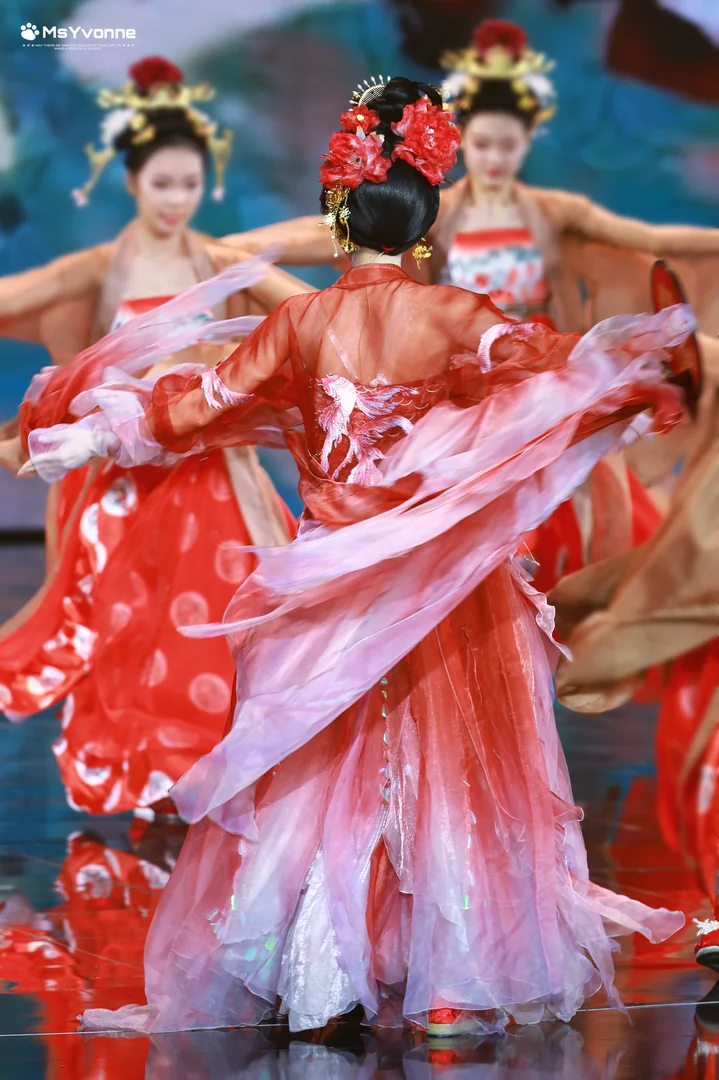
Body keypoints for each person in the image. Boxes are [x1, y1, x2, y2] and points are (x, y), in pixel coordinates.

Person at [26, 76, 694, 1037]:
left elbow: (197, 407)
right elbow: (546, 362)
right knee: (455, 776)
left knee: (319, 780)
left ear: (338, 218)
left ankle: (316, 975)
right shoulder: (455, 315)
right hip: (438, 589)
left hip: (332, 578)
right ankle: (452, 982)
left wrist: (90, 436)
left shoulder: (298, 323)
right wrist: (637, 362)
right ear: (424, 221)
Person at [222, 20, 719, 595]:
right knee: (468, 525)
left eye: (509, 145)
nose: (496, 157)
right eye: (483, 144)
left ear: (527, 140)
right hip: (468, 375)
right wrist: (244, 248)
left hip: (537, 366)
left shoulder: (550, 210)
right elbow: (339, 231)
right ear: (464, 144)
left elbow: (646, 238)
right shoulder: (440, 211)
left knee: (572, 492)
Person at [0, 56, 315, 816]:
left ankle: (212, 769)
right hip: (123, 481)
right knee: (126, 628)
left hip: (208, 472)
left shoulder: (220, 261)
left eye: (188, 184)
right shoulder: (102, 265)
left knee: (215, 623)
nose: (176, 199)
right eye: (161, 183)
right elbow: (15, 295)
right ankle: (141, 770)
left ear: (206, 182)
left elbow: (304, 320)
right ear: (132, 180)